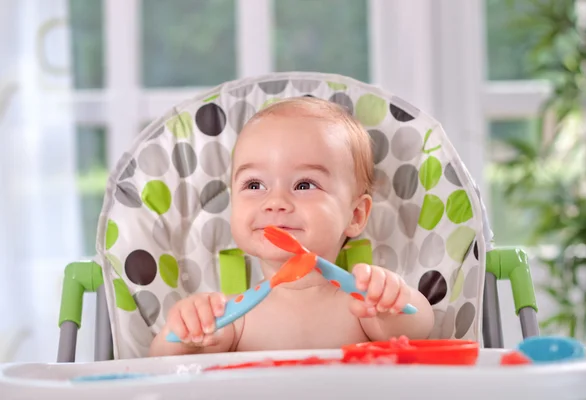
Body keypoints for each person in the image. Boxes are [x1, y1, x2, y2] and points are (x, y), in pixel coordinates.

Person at [149, 97, 434, 357]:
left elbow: (418, 328)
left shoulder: (361, 307)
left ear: (356, 215)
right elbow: (162, 364)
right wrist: (187, 330)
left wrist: (391, 300)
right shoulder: (233, 316)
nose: (275, 202)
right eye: (254, 184)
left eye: (304, 184)